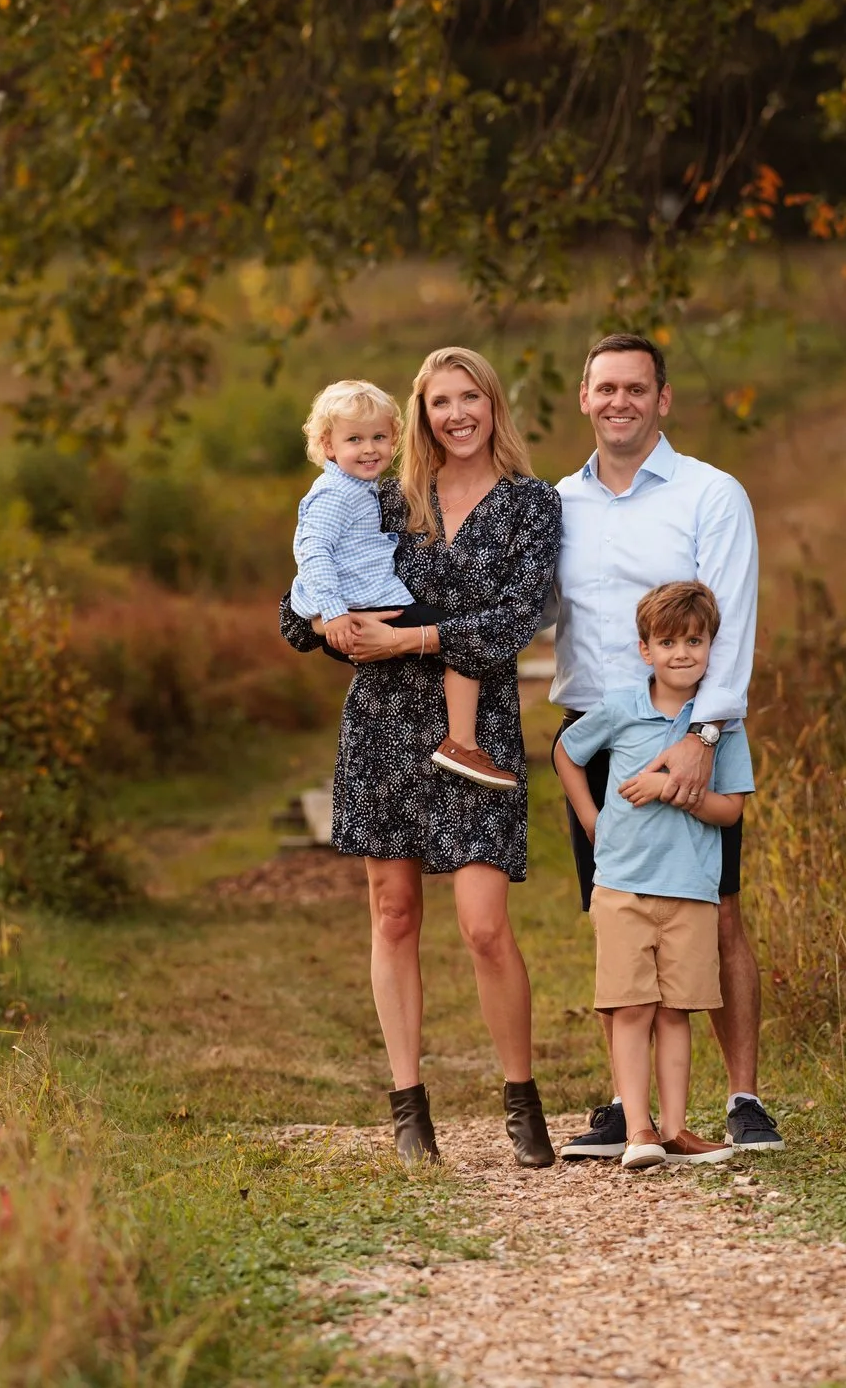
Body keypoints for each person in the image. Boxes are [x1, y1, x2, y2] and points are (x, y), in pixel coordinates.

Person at [279, 347, 562, 1167]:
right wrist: (337, 627)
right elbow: (304, 604)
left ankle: (522, 1096)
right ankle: (409, 1109)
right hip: (384, 723)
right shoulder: (387, 498)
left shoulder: (530, 505)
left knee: (482, 925)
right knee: (393, 913)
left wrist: (413, 635)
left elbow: (516, 620)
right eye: (440, 400)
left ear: (492, 403)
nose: (457, 413)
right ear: (422, 413)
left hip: (479, 729)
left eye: (469, 396)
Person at [550, 332, 783, 1159]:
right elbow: (527, 612)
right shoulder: (556, 504)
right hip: (600, 728)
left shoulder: (710, 494)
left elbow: (735, 620)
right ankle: (629, 1107)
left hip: (691, 731)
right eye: (605, 387)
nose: (620, 401)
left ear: (663, 399)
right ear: (584, 397)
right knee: (618, 920)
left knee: (713, 911)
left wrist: (708, 735)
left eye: (636, 388)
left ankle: (744, 1098)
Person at [554, 580, 754, 1170]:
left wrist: (675, 790)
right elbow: (567, 753)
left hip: (691, 890)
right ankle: (637, 1128)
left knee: (676, 1011)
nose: (682, 653)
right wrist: (591, 821)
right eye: (668, 642)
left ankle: (675, 1131)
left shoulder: (721, 727)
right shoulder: (620, 706)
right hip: (622, 885)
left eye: (695, 641)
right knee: (630, 1006)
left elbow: (730, 809)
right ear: (646, 650)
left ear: (712, 647)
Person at [287, 378, 514, 790]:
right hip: (364, 607)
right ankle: (461, 742)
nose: (369, 448)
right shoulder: (336, 494)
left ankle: (458, 741)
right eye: (354, 439)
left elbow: (514, 619)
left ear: (395, 437)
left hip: (369, 606)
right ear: (328, 445)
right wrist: (333, 616)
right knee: (457, 636)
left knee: (455, 634)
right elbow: (312, 555)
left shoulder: (364, 491)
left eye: (379, 437)